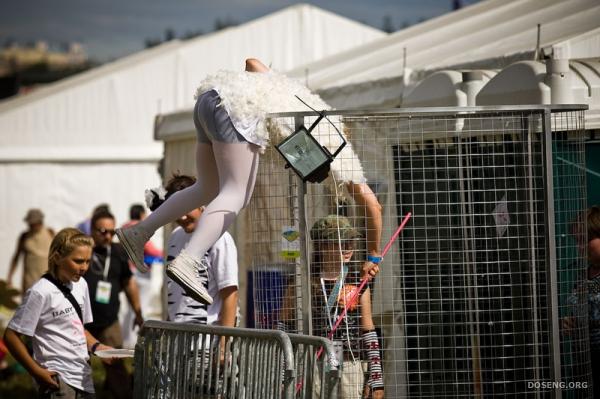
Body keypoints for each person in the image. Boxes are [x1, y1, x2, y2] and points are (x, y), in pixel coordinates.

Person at [117, 58, 382, 306]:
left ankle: (139, 232)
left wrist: (266, 86)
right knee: (236, 193)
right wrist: (373, 254)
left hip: (209, 101)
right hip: (235, 113)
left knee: (207, 188)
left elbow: (251, 62)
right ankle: (190, 260)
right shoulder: (343, 158)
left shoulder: (295, 95)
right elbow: (373, 206)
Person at [278, 215, 384, 399]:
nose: (349, 247)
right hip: (310, 363)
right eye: (341, 241)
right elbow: (283, 328)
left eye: (351, 241)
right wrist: (280, 376)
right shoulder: (301, 283)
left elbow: (369, 331)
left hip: (351, 364)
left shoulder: (359, 282)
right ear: (322, 245)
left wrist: (376, 379)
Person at [4, 228, 115, 398]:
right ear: (57, 258)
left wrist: (97, 347)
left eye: (87, 261)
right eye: (78, 261)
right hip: (58, 380)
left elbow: (78, 328)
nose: (84, 267)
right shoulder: (40, 292)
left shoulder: (81, 285)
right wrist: (36, 371)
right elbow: (11, 336)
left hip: (83, 376)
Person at [151, 173, 239, 327]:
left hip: (206, 342)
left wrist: (224, 346)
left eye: (187, 209)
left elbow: (230, 293)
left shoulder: (219, 237)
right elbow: (174, 294)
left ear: (201, 204)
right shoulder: (174, 236)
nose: (183, 217)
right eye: (177, 210)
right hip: (177, 339)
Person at [83, 210, 143, 399]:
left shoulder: (118, 252)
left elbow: (128, 283)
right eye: (102, 231)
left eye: (111, 231)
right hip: (81, 323)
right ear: (92, 229)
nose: (107, 236)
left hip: (109, 320)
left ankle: (121, 395)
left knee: (116, 364)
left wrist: (138, 313)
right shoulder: (82, 250)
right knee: (79, 367)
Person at [563, 206, 600, 395]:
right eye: (577, 241)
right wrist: (570, 322)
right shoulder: (582, 276)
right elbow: (578, 308)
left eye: (586, 240)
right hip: (584, 366)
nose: (581, 247)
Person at [7, 209, 55, 294]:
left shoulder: (50, 233)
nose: (31, 225)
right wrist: (10, 277)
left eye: (33, 223)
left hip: (48, 282)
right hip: (29, 283)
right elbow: (16, 258)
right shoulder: (24, 236)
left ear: (40, 222)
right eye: (30, 223)